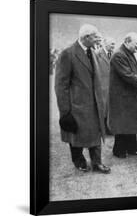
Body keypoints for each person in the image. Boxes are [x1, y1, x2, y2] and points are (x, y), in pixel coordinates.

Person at [55, 24, 110, 174]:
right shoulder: (68, 54)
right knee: (76, 135)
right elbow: (61, 85)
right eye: (95, 37)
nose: (97, 39)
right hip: (77, 106)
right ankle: (79, 161)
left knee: (95, 134)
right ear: (86, 37)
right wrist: (65, 112)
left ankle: (97, 163)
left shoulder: (92, 51)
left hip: (95, 105)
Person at [96, 37, 116, 133]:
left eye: (114, 44)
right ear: (105, 43)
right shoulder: (97, 54)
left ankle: (108, 128)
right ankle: (101, 128)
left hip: (111, 86)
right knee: (102, 107)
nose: (113, 46)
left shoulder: (114, 54)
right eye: (112, 44)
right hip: (101, 86)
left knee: (110, 108)